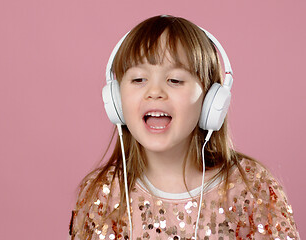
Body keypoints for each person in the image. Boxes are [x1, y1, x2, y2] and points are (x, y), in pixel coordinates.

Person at [69, 15, 299, 240]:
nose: (155, 91)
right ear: (116, 100)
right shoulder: (103, 194)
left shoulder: (250, 187)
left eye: (175, 80)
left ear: (211, 100)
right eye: (139, 79)